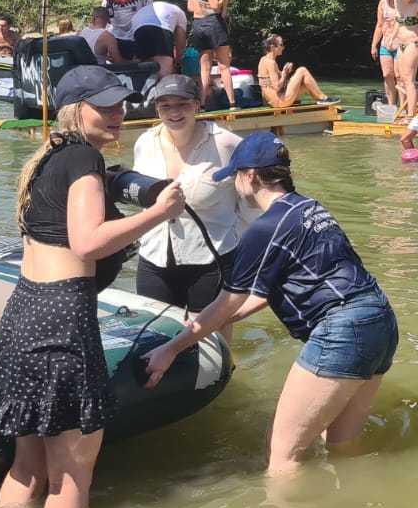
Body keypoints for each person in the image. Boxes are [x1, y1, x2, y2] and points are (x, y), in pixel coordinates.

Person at [0, 66, 186, 508]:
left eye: (120, 105)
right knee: (71, 475)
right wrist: (160, 212)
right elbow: (86, 243)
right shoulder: (85, 159)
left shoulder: (47, 159)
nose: (117, 113)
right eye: (104, 106)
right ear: (74, 111)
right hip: (62, 319)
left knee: (28, 466)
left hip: (24, 312)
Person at [142, 133, 399, 477]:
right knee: (341, 444)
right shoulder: (310, 208)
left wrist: (172, 349)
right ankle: (351, 503)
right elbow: (263, 294)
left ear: (250, 176)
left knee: (282, 455)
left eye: (235, 176)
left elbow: (227, 302)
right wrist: (213, 323)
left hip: (343, 330)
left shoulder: (266, 228)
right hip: (380, 320)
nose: (234, 185)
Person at [131, 75, 255, 317]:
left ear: (197, 105)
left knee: (212, 335)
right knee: (153, 333)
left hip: (211, 261)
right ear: (156, 109)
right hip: (153, 258)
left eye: (182, 104)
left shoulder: (226, 144)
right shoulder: (144, 143)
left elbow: (253, 198)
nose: (174, 112)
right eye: (165, 105)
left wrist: (246, 247)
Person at [369, 0, 418, 119]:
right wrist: (392, 36)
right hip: (399, 43)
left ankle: (409, 114)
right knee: (402, 78)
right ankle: (401, 107)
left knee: (407, 80)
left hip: (413, 43)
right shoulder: (398, 1)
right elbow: (398, 20)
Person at [188, 0, 246, 107]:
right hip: (213, 23)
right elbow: (219, 10)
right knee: (224, 66)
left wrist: (203, 6)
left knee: (204, 68)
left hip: (198, 24)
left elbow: (190, 7)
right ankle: (232, 103)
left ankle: (201, 104)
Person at [257, 33, 328, 109]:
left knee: (306, 84)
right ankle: (323, 98)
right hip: (279, 101)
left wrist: (286, 72)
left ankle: (321, 100)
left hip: (274, 101)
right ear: (272, 47)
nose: (283, 47)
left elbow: (274, 83)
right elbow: (277, 87)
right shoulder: (271, 63)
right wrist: (284, 74)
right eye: (281, 45)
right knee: (302, 70)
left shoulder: (264, 59)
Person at [130, 0, 188, 79]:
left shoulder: (171, 10)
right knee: (164, 75)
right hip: (160, 28)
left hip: (138, 27)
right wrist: (177, 62)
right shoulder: (181, 14)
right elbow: (180, 44)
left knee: (143, 72)